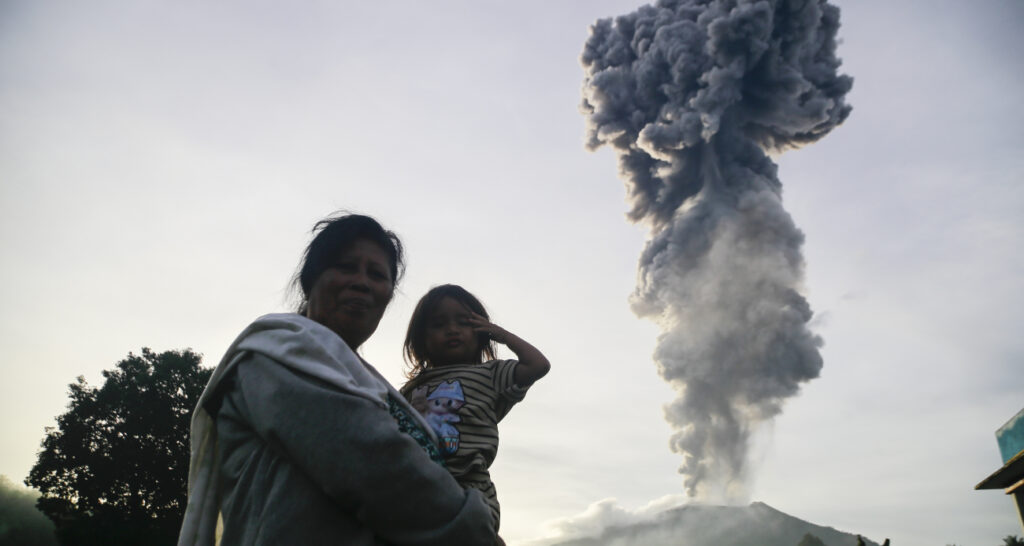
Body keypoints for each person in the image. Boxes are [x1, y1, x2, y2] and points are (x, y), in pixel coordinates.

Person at [177, 215, 495, 546]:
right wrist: (474, 527)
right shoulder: (274, 355)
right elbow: (375, 465)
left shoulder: (371, 385)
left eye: (377, 274)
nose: (362, 282)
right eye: (346, 267)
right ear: (310, 279)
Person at [400, 284, 551, 536]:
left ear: (481, 333)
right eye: (438, 324)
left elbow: (538, 365)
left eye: (464, 322)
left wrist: (501, 334)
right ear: (421, 340)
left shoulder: (491, 374)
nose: (452, 330)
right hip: (419, 486)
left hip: (470, 487)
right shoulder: (410, 389)